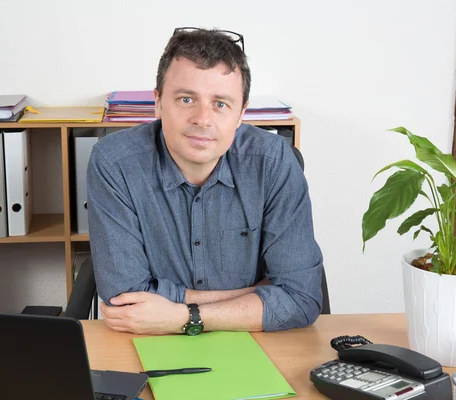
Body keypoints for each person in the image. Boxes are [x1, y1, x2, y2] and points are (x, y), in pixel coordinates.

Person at [87, 27, 323, 335]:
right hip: (150, 343)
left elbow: (301, 299)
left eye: (221, 104)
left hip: (255, 342)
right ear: (158, 102)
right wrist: (258, 295)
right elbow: (126, 299)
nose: (202, 119)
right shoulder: (114, 163)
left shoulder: (273, 161)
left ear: (241, 114)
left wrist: (182, 315)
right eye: (186, 99)